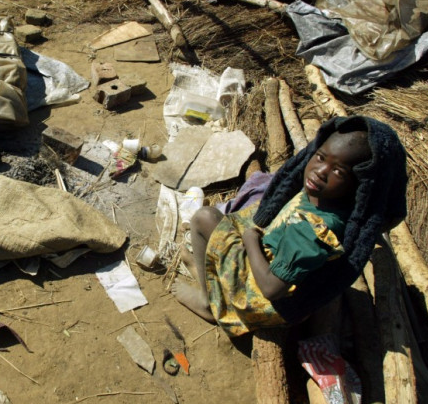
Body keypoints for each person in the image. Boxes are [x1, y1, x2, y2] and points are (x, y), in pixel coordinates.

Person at [173, 116, 407, 336]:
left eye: (338, 171)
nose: (320, 172)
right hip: (279, 259)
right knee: (235, 218)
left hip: (266, 297)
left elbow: (271, 289)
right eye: (321, 157)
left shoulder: (313, 231)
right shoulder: (333, 198)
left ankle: (208, 302)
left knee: (204, 218)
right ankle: (212, 273)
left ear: (360, 183)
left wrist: (251, 241)